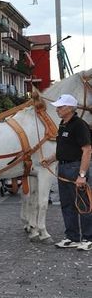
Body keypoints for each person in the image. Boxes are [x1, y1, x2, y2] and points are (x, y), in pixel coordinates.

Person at [41, 94, 92, 251]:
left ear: (70, 108)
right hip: (62, 167)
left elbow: (87, 150)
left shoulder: (79, 125)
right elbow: (63, 149)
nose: (57, 109)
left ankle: (88, 238)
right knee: (67, 205)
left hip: (75, 168)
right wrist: (50, 159)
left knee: (82, 204)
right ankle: (72, 237)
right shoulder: (63, 124)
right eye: (58, 106)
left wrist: (82, 175)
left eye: (61, 107)